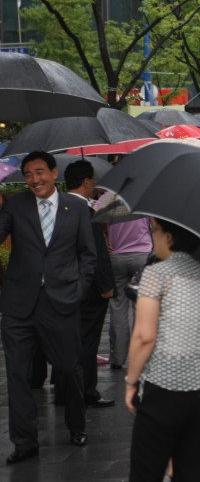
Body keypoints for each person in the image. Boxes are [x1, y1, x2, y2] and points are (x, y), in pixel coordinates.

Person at [0, 150, 97, 463]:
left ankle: (76, 425)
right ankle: (24, 441)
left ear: (54, 173)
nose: (34, 179)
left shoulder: (77, 208)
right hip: (18, 305)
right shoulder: (15, 205)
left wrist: (78, 290)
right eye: (27, 174)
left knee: (69, 368)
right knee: (17, 374)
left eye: (39, 172)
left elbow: (88, 254)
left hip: (61, 301)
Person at [124, 218, 200, 481]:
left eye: (154, 230)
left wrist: (131, 381)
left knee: (146, 469)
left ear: (169, 237)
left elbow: (144, 337)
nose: (152, 236)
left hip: (167, 384)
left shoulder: (156, 273)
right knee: (193, 471)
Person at [64, 160, 117, 409]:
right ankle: (87, 391)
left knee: (69, 339)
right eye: (93, 180)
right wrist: (106, 285)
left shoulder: (59, 208)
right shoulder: (86, 211)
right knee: (87, 341)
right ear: (86, 182)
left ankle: (66, 388)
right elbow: (95, 253)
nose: (95, 184)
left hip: (66, 285)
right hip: (89, 288)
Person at [102, 202, 153, 370]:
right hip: (142, 255)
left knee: (117, 308)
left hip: (116, 256)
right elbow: (154, 224)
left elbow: (99, 223)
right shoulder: (144, 197)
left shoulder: (107, 199)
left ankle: (117, 358)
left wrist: (106, 237)